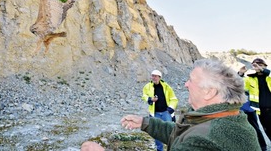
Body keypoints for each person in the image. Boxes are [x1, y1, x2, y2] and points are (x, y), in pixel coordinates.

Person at [81, 59, 261, 151]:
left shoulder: (204, 138)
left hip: (165, 112)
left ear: (209, 92)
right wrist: (145, 123)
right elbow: (179, 133)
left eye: (191, 80)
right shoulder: (221, 118)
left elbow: (187, 137)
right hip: (156, 113)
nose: (186, 84)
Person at [141, 69, 178, 151]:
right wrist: (150, 99)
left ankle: (172, 148)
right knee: (156, 132)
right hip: (155, 113)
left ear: (159, 77)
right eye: (152, 76)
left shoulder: (166, 86)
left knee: (170, 131)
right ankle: (159, 149)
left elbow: (174, 98)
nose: (153, 78)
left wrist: (170, 109)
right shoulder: (147, 86)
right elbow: (144, 96)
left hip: (166, 112)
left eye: (155, 76)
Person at [238, 58, 271, 142]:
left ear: (265, 66)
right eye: (255, 65)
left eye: (260, 65)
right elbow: (239, 85)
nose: (257, 67)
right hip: (262, 111)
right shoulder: (250, 79)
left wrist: (263, 70)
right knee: (268, 131)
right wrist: (241, 73)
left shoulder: (269, 76)